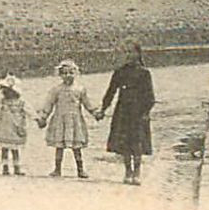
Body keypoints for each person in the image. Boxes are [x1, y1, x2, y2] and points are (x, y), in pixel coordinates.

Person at [101, 40, 156, 185]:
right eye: (125, 52)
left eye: (131, 51)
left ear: (138, 53)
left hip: (138, 112)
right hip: (123, 111)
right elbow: (110, 92)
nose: (128, 55)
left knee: (137, 142)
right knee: (125, 143)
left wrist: (146, 112)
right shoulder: (120, 72)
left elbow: (149, 96)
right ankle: (127, 171)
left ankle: (137, 172)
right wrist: (103, 109)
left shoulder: (144, 73)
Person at [37, 58, 103, 178]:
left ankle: (80, 169)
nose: (68, 75)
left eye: (71, 73)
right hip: (60, 121)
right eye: (65, 73)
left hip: (74, 121)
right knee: (59, 146)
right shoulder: (56, 90)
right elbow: (49, 104)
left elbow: (87, 103)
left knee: (76, 147)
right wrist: (43, 117)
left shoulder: (80, 89)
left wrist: (95, 113)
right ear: (60, 75)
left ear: (75, 73)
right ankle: (57, 169)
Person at [0, 73, 31, 176]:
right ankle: (5, 167)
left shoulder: (21, 102)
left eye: (7, 90)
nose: (5, 92)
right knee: (4, 148)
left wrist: (38, 118)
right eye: (4, 90)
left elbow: (30, 110)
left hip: (16, 127)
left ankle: (17, 167)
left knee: (15, 148)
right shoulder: (3, 101)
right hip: (5, 127)